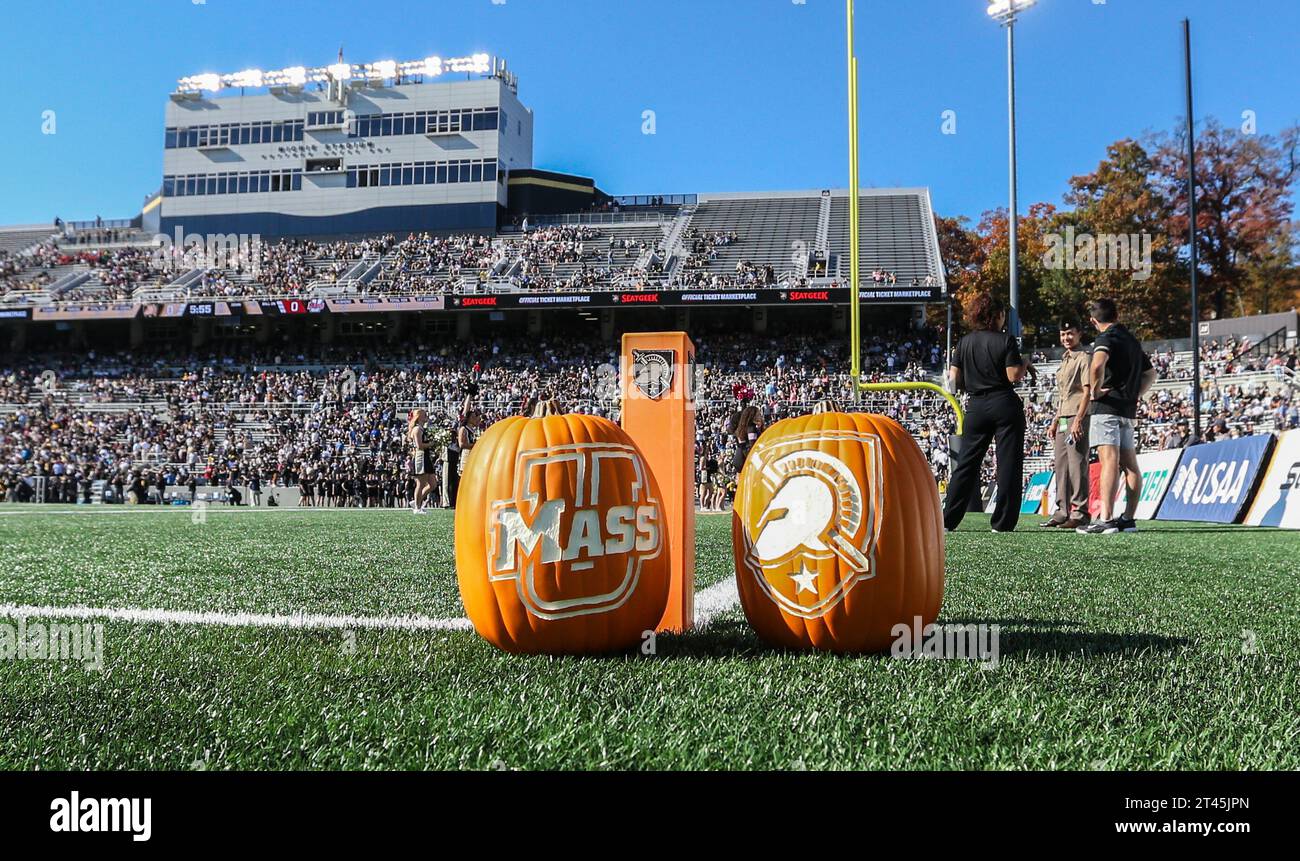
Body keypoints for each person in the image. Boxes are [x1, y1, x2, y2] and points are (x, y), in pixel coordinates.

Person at [942, 291, 1033, 533]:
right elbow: (1013, 375)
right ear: (997, 315)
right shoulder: (1005, 340)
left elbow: (953, 380)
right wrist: (1024, 362)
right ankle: (1002, 523)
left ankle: (948, 520)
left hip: (976, 406)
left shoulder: (964, 342)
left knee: (966, 464)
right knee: (1008, 464)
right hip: (1003, 402)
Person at [1077, 298, 1156, 535]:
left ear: (1093, 321)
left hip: (1107, 408)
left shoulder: (1105, 338)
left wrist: (1095, 390)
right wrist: (1133, 395)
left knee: (1109, 460)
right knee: (1130, 464)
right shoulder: (1131, 340)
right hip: (1127, 409)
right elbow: (1151, 374)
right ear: (1117, 314)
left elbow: (1097, 365)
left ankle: (1106, 519)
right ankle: (1128, 519)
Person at [1041, 320, 1091, 528]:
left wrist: (1079, 419)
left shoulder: (1084, 358)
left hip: (1076, 416)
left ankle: (1079, 513)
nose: (1066, 338)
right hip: (1063, 418)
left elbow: (1087, 391)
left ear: (1079, 334)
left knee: (1077, 464)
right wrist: (1055, 420)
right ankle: (1062, 511)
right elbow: (1063, 396)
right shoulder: (1065, 359)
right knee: (1061, 465)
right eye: (1063, 335)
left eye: (1070, 334)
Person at [407, 408, 435, 514]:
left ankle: (416, 501)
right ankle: (417, 508)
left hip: (426, 456)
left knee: (433, 484)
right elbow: (419, 446)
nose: (426, 416)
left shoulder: (422, 428)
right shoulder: (417, 429)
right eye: (424, 415)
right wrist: (431, 444)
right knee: (421, 483)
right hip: (421, 457)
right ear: (418, 417)